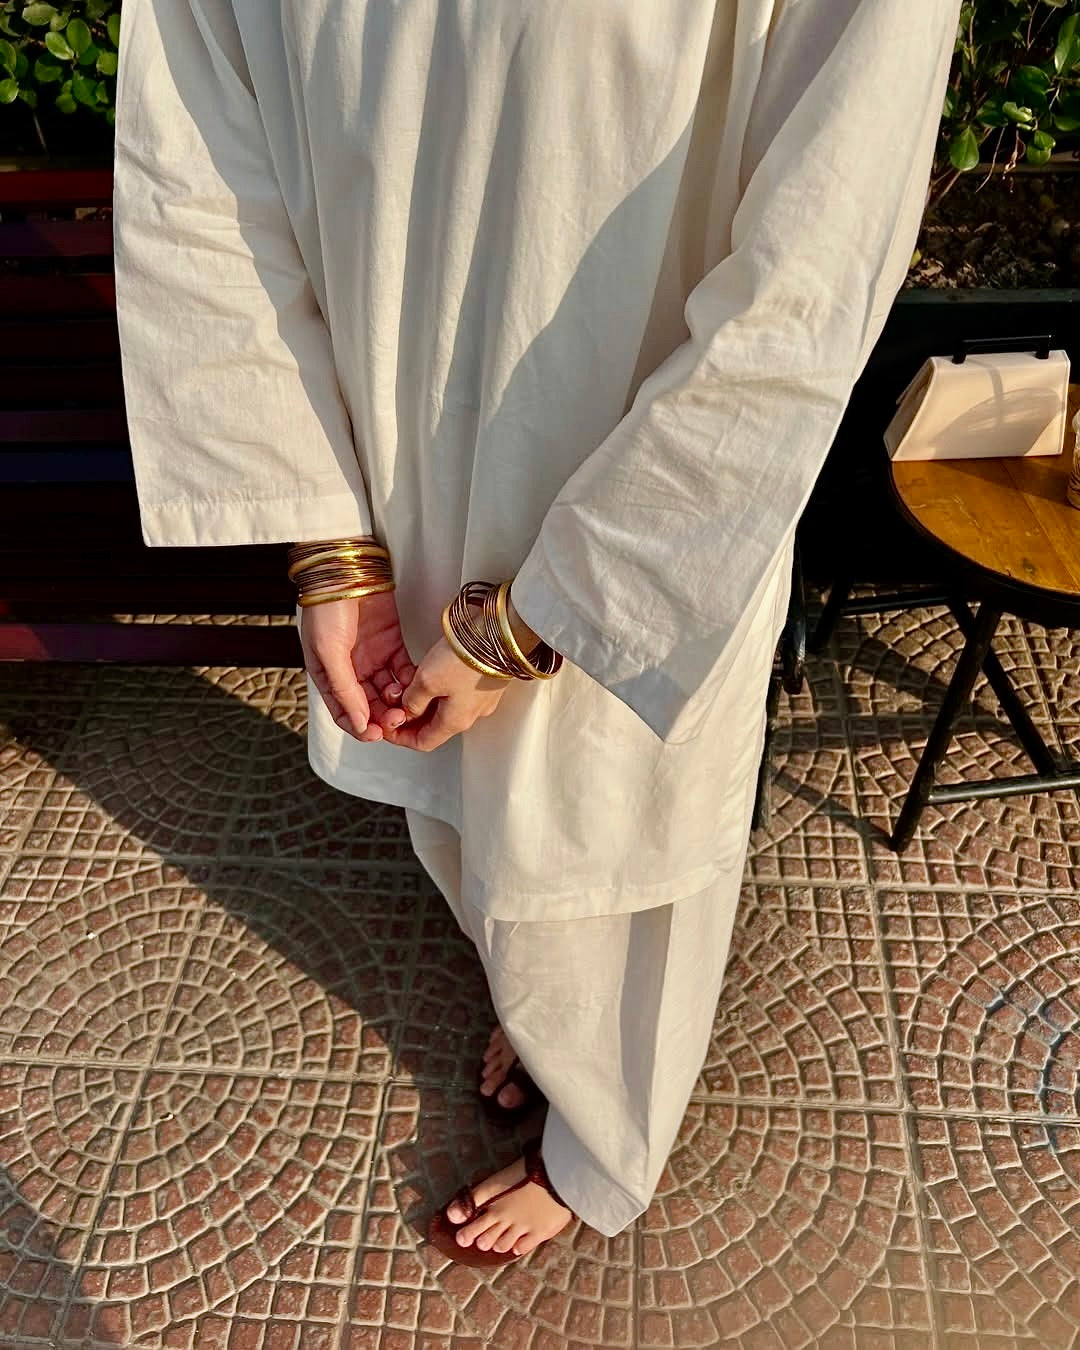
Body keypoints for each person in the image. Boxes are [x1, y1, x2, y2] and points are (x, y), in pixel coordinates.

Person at [113, 0, 960, 1264]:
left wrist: (564, 604)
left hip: (650, 471)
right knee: (471, 807)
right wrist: (323, 533)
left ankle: (607, 1146)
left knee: (624, 817)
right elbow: (200, 155)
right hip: (399, 457)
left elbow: (815, 261)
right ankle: (543, 1009)